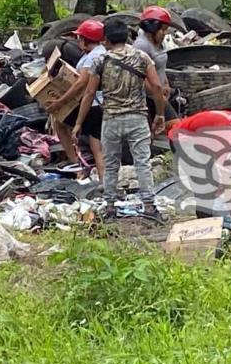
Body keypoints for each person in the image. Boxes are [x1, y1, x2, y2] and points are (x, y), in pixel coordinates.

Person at [73, 19, 166, 221]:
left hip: (111, 119)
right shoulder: (142, 57)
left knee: (111, 164)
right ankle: (149, 207)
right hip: (137, 118)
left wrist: (79, 123)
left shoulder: (100, 61)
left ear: (105, 39)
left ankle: (110, 208)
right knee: (142, 163)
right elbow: (157, 87)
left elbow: (89, 93)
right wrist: (159, 114)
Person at [48, 19, 106, 180]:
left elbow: (81, 84)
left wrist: (61, 102)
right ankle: (103, 183)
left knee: (59, 123)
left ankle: (77, 166)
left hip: (93, 104)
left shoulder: (93, 57)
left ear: (85, 39)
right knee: (97, 146)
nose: (77, 41)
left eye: (79, 38)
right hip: (101, 103)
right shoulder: (99, 52)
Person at [133, 6, 180, 133]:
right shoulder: (142, 45)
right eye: (162, 30)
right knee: (174, 127)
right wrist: (156, 94)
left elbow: (161, 67)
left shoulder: (160, 42)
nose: (165, 34)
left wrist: (166, 84)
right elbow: (140, 76)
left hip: (160, 92)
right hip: (148, 96)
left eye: (166, 30)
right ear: (151, 28)